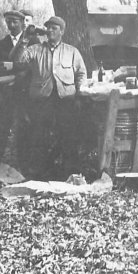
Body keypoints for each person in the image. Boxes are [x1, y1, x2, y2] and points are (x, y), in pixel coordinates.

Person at [13, 16, 87, 180]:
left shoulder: (71, 51)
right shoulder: (35, 49)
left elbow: (81, 73)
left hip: (65, 100)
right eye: (48, 28)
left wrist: (80, 91)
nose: (50, 31)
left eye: (54, 28)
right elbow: (18, 61)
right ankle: (39, 174)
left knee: (68, 136)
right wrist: (24, 40)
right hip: (42, 100)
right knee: (40, 136)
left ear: (62, 31)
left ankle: (71, 173)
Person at [0, 10, 37, 172]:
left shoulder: (33, 41)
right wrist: (6, 73)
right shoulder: (2, 43)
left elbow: (35, 66)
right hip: (7, 93)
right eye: (8, 22)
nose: (11, 25)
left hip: (25, 93)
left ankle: (25, 166)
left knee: (24, 129)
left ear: (23, 23)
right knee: (2, 128)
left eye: (15, 21)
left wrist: (15, 68)